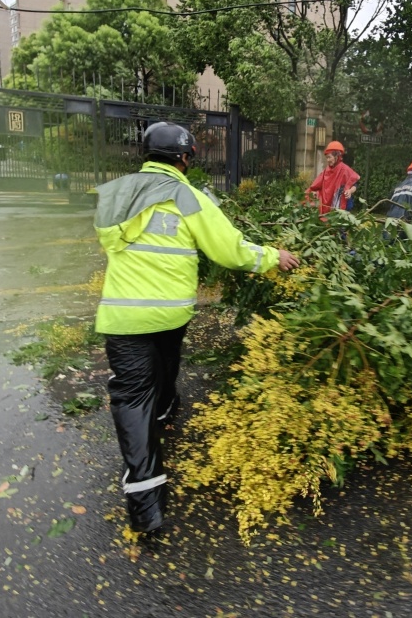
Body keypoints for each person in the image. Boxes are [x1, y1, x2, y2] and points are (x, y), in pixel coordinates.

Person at [93, 121, 299, 533]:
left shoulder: (113, 192)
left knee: (133, 398)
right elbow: (229, 249)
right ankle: (164, 418)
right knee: (165, 368)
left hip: (123, 317)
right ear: (184, 159)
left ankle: (147, 506)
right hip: (170, 313)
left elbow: (109, 240)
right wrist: (273, 257)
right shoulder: (187, 196)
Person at [306, 140, 360, 219]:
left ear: (337, 156)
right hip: (327, 206)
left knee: (341, 227)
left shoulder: (345, 169)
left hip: (343, 205)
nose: (327, 160)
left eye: (329, 157)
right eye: (326, 158)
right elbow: (317, 186)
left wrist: (350, 191)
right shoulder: (326, 171)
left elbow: (355, 184)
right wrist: (314, 193)